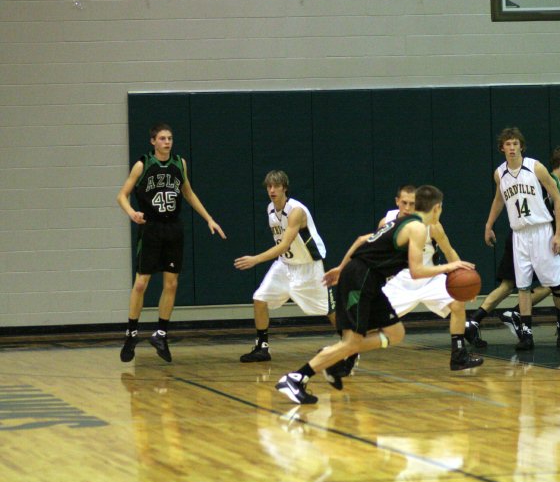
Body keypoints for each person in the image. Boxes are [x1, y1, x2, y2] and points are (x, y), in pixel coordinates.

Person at [275, 185, 478, 405]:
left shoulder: (405, 223)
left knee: (396, 333)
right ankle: (297, 377)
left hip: (368, 278)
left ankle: (334, 354)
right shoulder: (417, 228)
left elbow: (363, 240)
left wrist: (341, 267)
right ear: (437, 208)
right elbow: (416, 271)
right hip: (360, 279)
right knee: (352, 342)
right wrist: (448, 268)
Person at [466, 146, 560, 347]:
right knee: (535, 283)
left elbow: (559, 210)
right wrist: (559, 234)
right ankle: (513, 315)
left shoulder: (549, 181)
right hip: (526, 235)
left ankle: (478, 320)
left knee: (526, 283)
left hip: (528, 234)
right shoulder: (545, 178)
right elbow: (548, 207)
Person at [117, 123, 226, 363]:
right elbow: (121, 195)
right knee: (141, 284)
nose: (167, 142)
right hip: (151, 228)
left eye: (170, 138)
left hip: (173, 227)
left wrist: (209, 218)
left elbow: (188, 193)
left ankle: (161, 334)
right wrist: (132, 213)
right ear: (153, 141)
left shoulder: (180, 164)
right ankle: (131, 333)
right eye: (163, 138)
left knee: (172, 283)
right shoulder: (142, 164)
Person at [376, 184, 482, 371]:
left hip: (430, 279)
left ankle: (458, 356)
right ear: (397, 202)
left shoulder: (432, 225)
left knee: (458, 303)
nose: (408, 208)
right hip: (400, 282)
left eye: (412, 203)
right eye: (404, 203)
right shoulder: (387, 223)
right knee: (371, 322)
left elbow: (450, 252)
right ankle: (347, 355)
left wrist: (467, 281)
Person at [233, 170, 335, 362]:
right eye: (269, 186)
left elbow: (284, 245)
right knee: (259, 299)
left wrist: (255, 259)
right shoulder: (270, 209)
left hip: (309, 266)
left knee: (329, 310)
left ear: (284, 188)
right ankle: (262, 347)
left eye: (276, 186)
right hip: (285, 265)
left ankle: (350, 345)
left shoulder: (296, 211)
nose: (272, 190)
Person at [483, 128, 560, 351]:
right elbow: (499, 200)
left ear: (521, 146)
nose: (512, 147)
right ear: (502, 148)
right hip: (519, 234)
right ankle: (527, 335)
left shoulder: (535, 167)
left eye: (515, 144)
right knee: (522, 285)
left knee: (554, 283)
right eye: (508, 144)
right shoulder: (499, 173)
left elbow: (558, 199)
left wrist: (558, 233)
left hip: (541, 230)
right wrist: (489, 224)